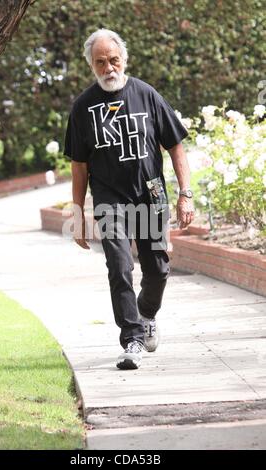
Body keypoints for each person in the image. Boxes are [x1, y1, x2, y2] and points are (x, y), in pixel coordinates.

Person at [63, 28, 195, 370]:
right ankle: (132, 338)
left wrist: (185, 194)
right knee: (119, 267)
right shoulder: (83, 107)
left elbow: (175, 144)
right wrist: (78, 214)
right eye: (101, 62)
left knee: (158, 269)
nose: (109, 68)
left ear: (124, 59)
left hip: (149, 196)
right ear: (91, 65)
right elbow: (79, 165)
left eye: (114, 60)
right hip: (109, 201)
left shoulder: (146, 94)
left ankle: (146, 313)